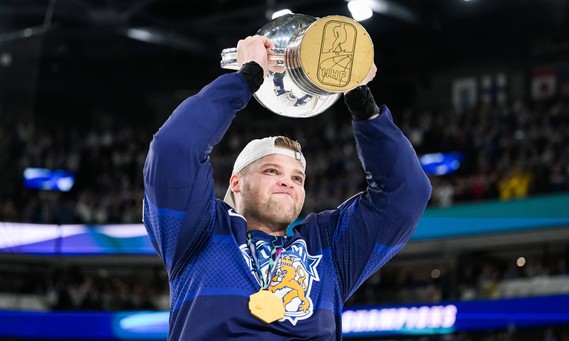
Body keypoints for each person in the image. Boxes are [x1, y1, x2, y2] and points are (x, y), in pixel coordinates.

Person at [143, 35, 431, 340]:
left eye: (297, 178)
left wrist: (364, 108)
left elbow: (406, 194)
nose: (287, 182)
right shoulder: (198, 232)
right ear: (236, 183)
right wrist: (246, 78)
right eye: (271, 170)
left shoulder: (329, 248)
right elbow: (174, 147)